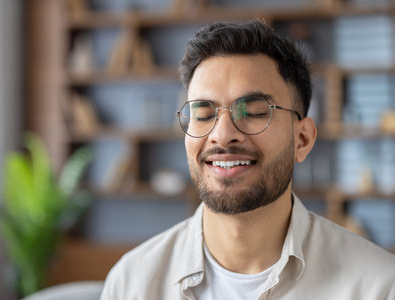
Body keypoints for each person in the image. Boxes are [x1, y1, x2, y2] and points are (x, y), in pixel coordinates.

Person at [100, 21, 395, 300]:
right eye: (203, 114)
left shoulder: (377, 286)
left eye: (254, 112)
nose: (223, 135)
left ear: (302, 140)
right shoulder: (133, 282)